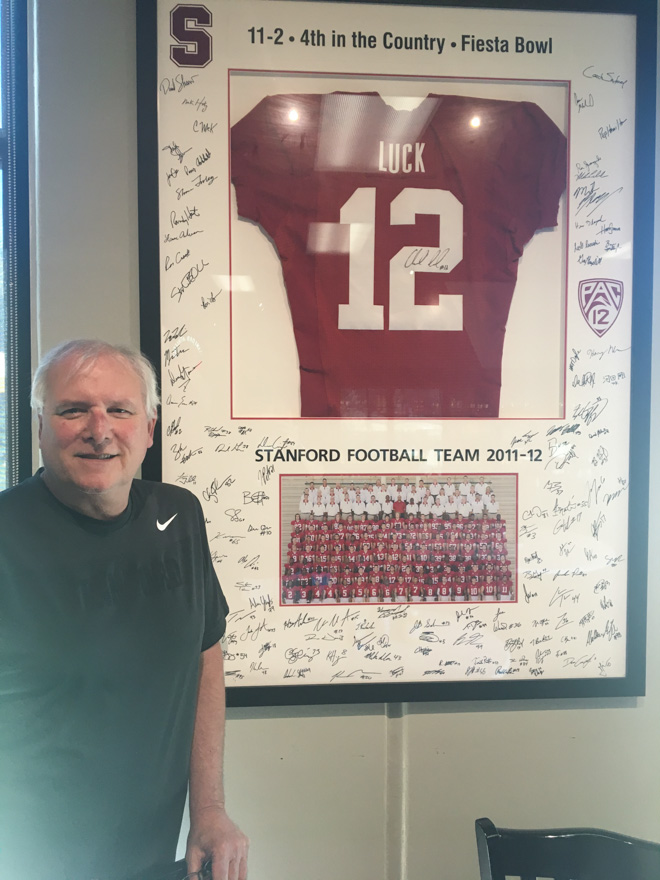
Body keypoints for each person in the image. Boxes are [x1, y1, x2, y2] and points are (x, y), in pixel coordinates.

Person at [0, 340, 248, 880]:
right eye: (73, 410)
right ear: (40, 426)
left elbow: (205, 653)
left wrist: (208, 811)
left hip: (154, 858)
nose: (99, 428)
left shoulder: (180, 517)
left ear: (149, 428)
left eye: (119, 409)